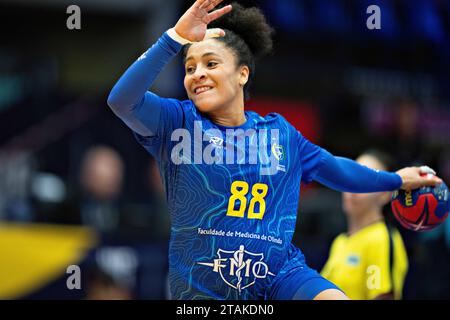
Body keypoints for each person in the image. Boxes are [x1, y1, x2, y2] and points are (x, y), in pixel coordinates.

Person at [107, 0, 442, 300]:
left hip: (281, 275)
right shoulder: (176, 122)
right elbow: (121, 100)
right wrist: (175, 37)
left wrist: (394, 180)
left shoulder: (280, 133)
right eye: (190, 68)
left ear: (242, 74)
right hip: (206, 285)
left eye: (210, 63)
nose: (198, 75)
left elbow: (336, 170)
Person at [321, 150, 409, 300]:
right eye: (351, 176)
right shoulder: (340, 242)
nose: (353, 189)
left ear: (385, 195)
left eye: (365, 182)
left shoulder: (380, 239)